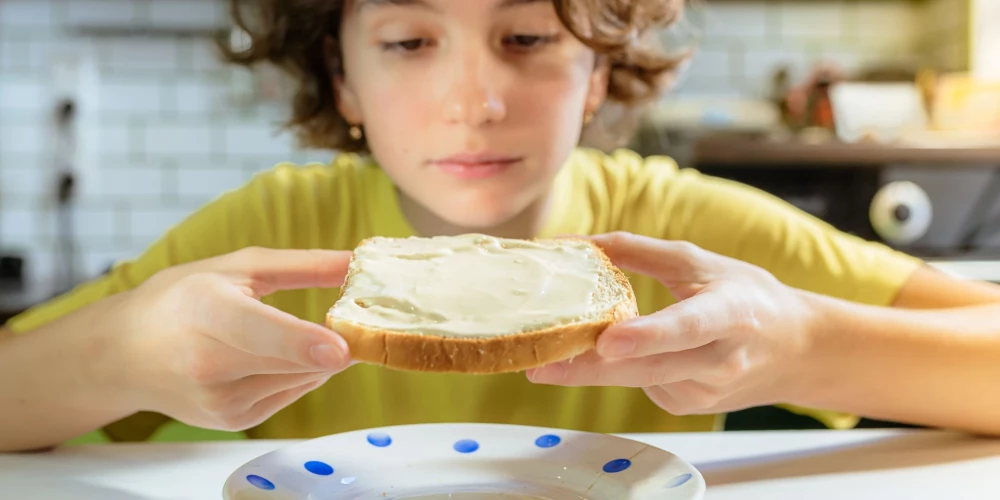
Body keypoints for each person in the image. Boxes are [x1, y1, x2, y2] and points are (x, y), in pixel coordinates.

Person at [2, 0, 999, 454]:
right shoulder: (274, 230)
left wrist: (806, 348)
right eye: (407, 41)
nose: (473, 100)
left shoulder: (676, 233)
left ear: (600, 69)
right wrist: (116, 354)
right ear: (342, 77)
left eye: (525, 37)